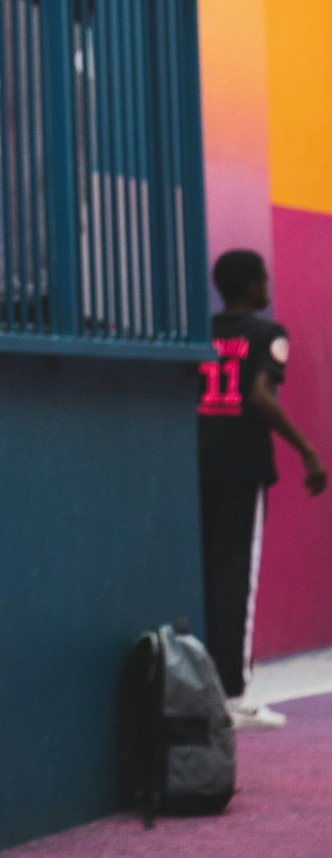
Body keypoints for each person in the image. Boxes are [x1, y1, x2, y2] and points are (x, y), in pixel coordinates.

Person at [199, 248, 327, 731]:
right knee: (238, 578)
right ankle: (234, 694)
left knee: (209, 571)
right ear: (252, 285)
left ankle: (209, 685)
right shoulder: (269, 334)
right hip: (242, 464)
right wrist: (308, 451)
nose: (268, 285)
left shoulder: (203, 331)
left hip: (200, 460)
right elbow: (258, 396)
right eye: (264, 278)